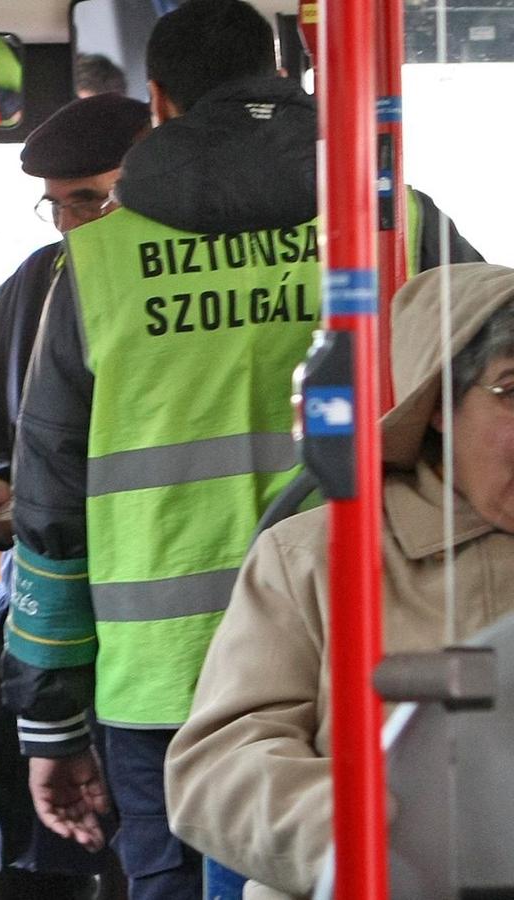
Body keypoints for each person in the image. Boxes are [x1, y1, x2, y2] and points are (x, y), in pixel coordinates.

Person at [0, 2, 482, 897]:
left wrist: (51, 720)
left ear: (158, 101)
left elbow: (51, 506)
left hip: (166, 675)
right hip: (367, 646)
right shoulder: (399, 224)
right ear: (287, 76)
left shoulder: (95, 264)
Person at [165, 263, 514, 900]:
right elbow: (218, 768)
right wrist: (376, 841)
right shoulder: (311, 558)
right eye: (512, 388)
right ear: (438, 404)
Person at [0, 92, 151, 900]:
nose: (69, 225)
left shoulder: (182, 286)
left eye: (90, 199)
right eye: (54, 207)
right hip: (42, 638)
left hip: (159, 643)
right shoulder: (33, 288)